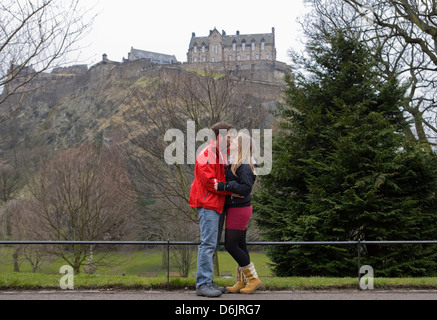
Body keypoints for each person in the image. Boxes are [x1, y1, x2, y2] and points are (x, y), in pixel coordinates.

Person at [189, 122, 235, 298]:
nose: (232, 139)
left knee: (211, 244)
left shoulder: (219, 154)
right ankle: (203, 283)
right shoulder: (207, 154)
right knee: (208, 244)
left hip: (216, 204)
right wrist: (232, 189)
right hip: (208, 204)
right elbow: (210, 182)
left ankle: (207, 281)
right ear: (220, 137)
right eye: (230, 136)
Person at [214, 132, 262, 294]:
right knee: (240, 245)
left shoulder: (245, 166)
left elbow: (245, 189)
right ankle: (242, 281)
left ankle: (253, 279)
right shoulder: (235, 163)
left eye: (235, 140)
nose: (231, 141)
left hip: (239, 209)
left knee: (231, 245)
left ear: (241, 146)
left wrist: (224, 187)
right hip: (236, 207)